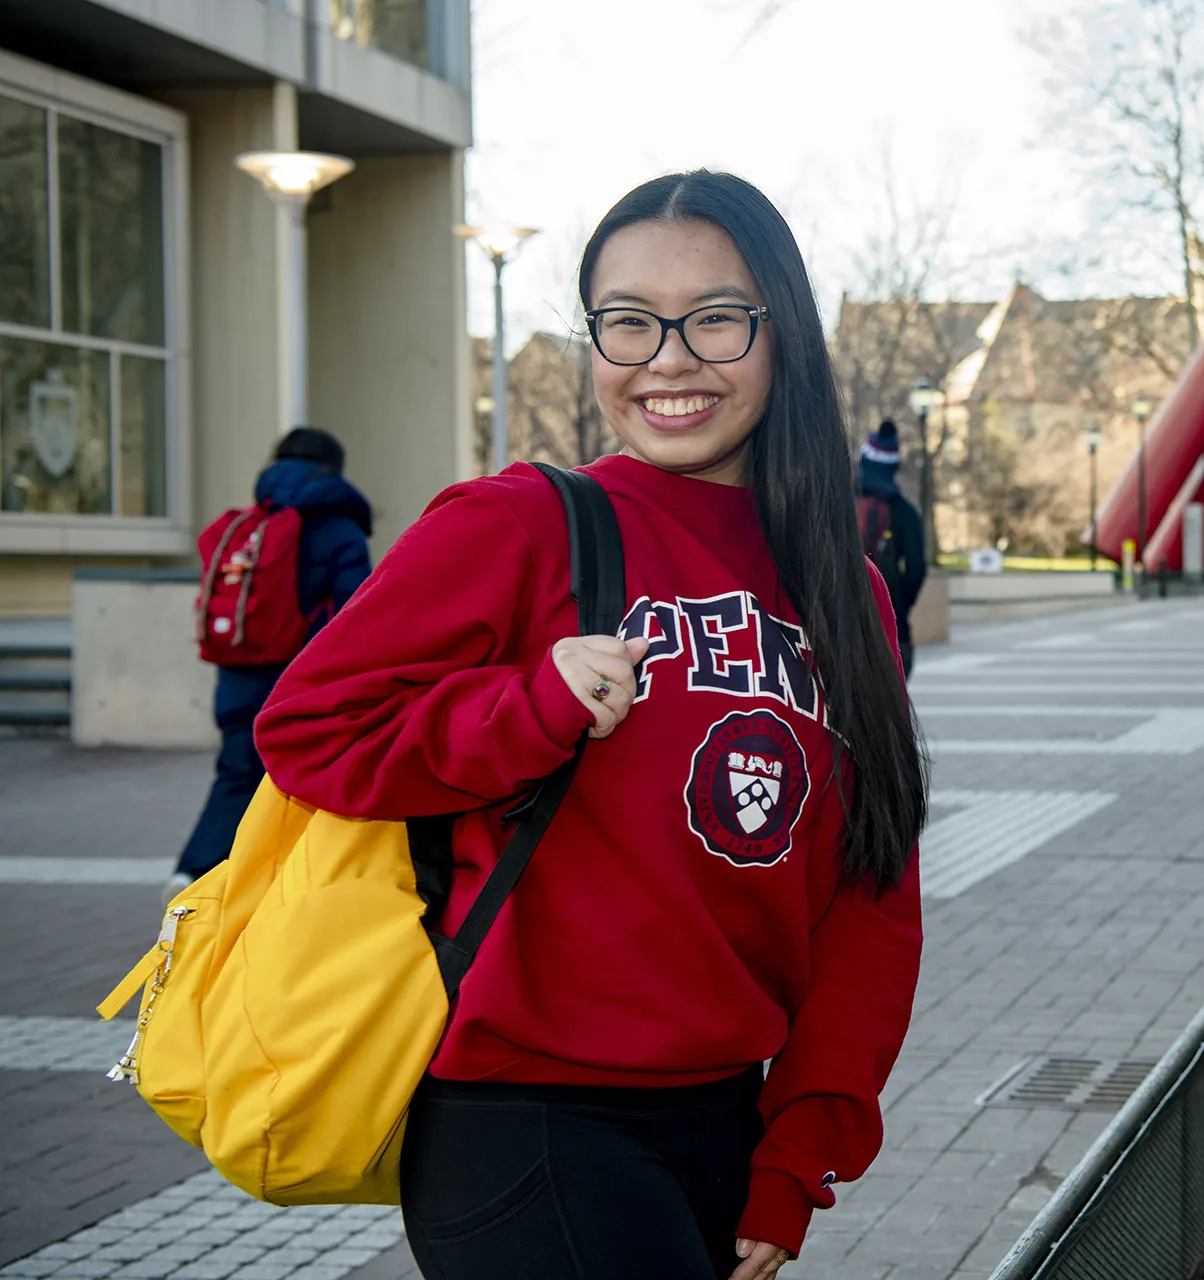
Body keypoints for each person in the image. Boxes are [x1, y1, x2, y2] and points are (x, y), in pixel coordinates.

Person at [254, 171, 926, 1280]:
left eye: (715, 317)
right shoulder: (519, 522)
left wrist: (805, 1141)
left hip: (725, 1121)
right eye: (628, 320)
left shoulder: (844, 592)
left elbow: (871, 898)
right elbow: (311, 730)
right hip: (526, 1114)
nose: (667, 357)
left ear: (784, 336)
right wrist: (528, 711)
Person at [170, 427, 370, 894]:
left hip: (236, 678)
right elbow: (358, 613)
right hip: (299, 682)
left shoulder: (250, 526)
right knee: (300, 785)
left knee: (236, 776)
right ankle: (280, 888)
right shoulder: (337, 529)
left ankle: (192, 873)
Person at [856, 420, 927, 675]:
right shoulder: (905, 513)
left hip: (841, 625)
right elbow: (917, 568)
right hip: (891, 625)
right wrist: (901, 603)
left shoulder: (836, 502)